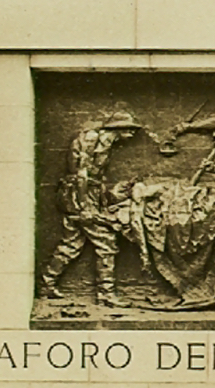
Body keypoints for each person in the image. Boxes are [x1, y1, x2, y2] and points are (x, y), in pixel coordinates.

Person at [39, 111, 141, 308]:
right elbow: (81, 175)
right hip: (80, 195)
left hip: (84, 194)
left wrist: (112, 193)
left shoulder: (105, 141)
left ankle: (46, 284)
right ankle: (106, 294)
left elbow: (93, 178)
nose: (132, 133)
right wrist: (85, 206)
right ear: (119, 127)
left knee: (71, 244)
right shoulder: (93, 138)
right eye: (130, 129)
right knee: (106, 243)